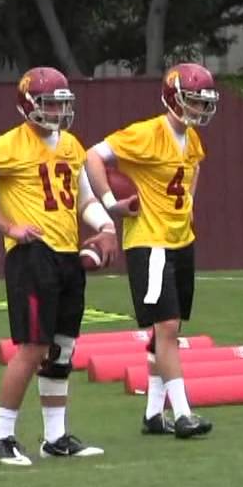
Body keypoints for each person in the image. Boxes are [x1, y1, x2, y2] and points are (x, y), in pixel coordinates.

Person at [84, 62, 218, 439]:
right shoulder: (147, 133)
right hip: (150, 240)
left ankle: (153, 414)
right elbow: (94, 156)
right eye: (194, 101)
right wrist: (110, 203)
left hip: (179, 240)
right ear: (175, 98)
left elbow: (193, 172)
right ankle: (184, 413)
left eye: (204, 102)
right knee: (168, 327)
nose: (200, 109)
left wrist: (188, 206)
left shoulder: (191, 140)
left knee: (167, 330)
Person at [0, 67, 118, 465]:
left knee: (61, 349)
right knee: (32, 347)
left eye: (63, 103)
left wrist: (107, 227)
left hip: (67, 253)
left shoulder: (72, 145)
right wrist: (9, 226)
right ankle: (1, 436)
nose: (59, 111)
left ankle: (55, 436)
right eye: (50, 103)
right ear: (29, 105)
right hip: (32, 254)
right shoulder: (8, 145)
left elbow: (83, 199)